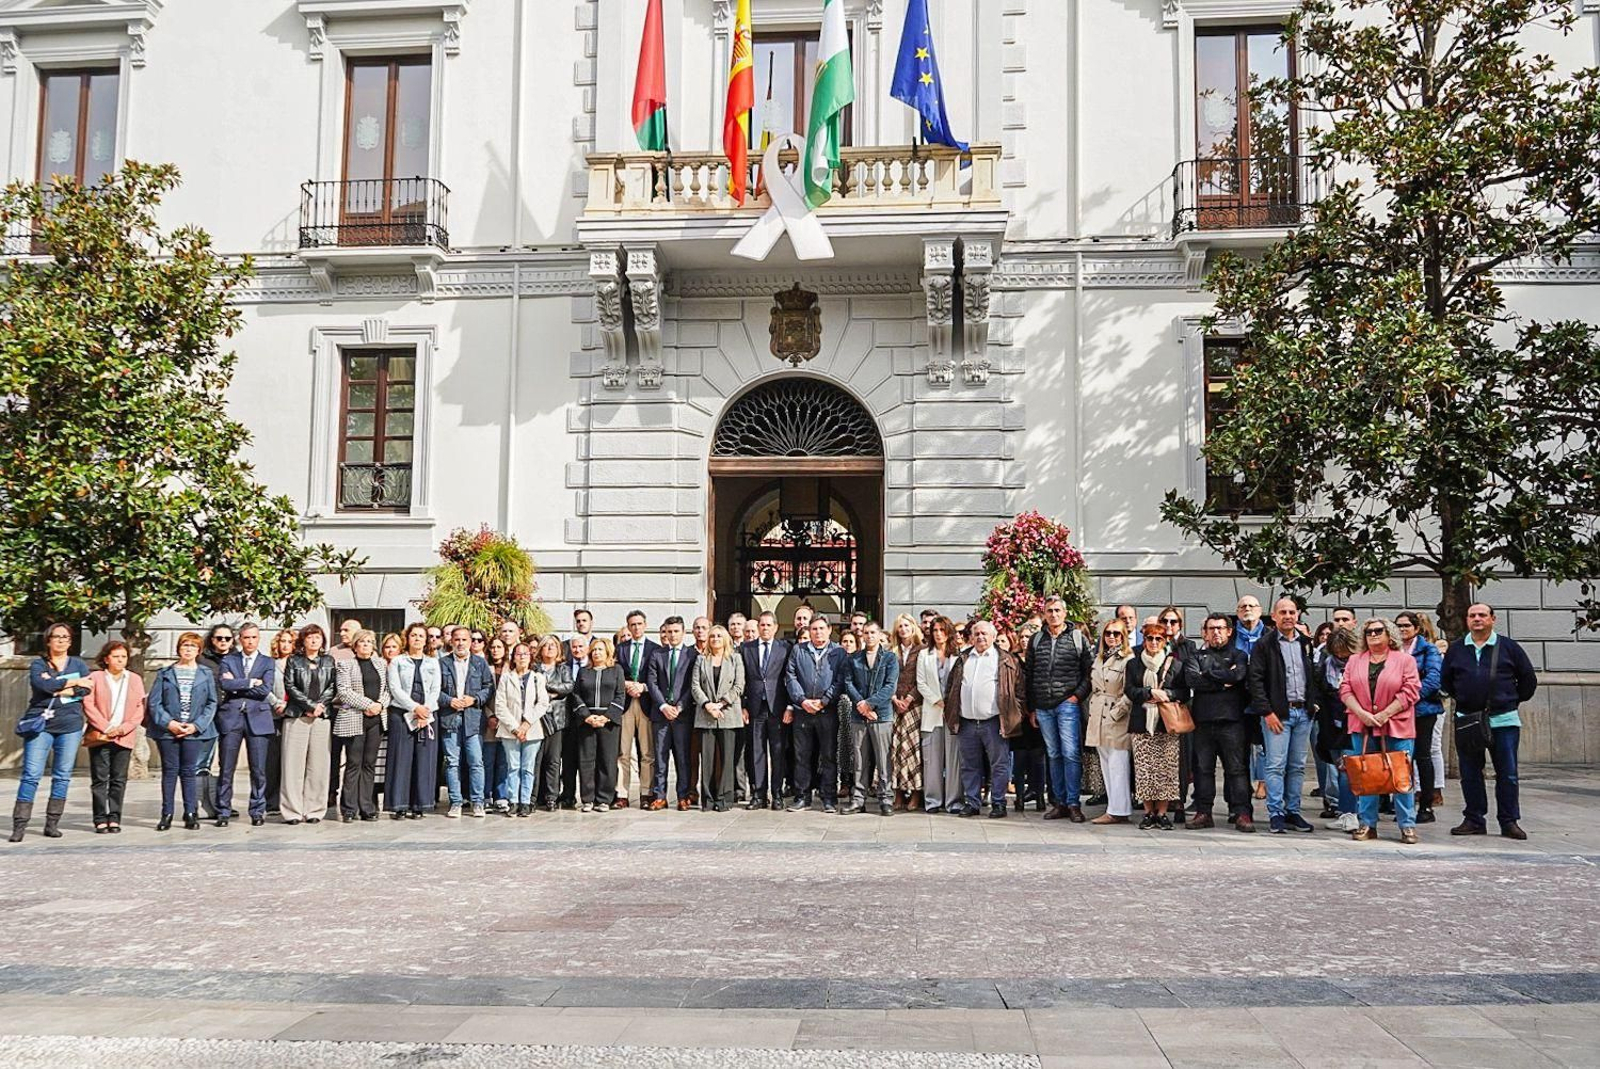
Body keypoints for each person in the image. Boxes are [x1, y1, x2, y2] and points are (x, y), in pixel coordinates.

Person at [1441, 603, 1538, 840]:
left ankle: (1509, 821)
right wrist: (1466, 699)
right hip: (1468, 720)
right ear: (1467, 620)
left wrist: (1509, 700)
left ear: (1493, 619)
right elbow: (1446, 681)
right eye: (1472, 615)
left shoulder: (1509, 647)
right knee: (1470, 773)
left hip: (1504, 720)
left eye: (1482, 615)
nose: (1477, 619)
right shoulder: (1457, 649)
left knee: (1507, 773)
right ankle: (1474, 819)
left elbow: (1528, 680)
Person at [1339, 617, 1423, 843]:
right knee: (1367, 775)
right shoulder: (1355, 660)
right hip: (1362, 724)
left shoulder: (1405, 660)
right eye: (1368, 632)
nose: (1373, 635)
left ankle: (1407, 825)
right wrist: (1361, 713)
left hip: (1397, 724)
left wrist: (1385, 713)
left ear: (1389, 634)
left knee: (1401, 775)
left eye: (1378, 631)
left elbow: (1411, 690)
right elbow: (1345, 689)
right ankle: (1367, 824)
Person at [1247, 597, 1319, 834]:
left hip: (1303, 713)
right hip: (1278, 714)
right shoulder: (1264, 644)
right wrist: (1267, 712)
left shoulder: (1305, 643)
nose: (1288, 616)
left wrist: (1314, 703)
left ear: (1297, 615)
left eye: (1292, 612)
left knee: (1297, 766)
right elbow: (1255, 681)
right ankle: (1276, 813)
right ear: (1274, 616)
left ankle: (1293, 812)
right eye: (1283, 612)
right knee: (1276, 765)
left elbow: (1314, 675)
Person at [944, 621, 1025, 819]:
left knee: (999, 764)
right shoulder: (963, 658)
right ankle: (972, 802)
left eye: (984, 633)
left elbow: (1020, 690)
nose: (980, 637)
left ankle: (999, 803)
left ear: (993, 636)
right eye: (977, 633)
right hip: (967, 722)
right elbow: (951, 687)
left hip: (995, 722)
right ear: (972, 637)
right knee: (969, 765)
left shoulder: (1005, 659)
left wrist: (1013, 715)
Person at [1026, 595, 1093, 822]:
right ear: (1044, 614)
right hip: (1043, 706)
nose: (1053, 614)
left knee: (1071, 754)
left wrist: (1077, 696)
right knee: (1053, 754)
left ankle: (1073, 803)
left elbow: (1089, 672)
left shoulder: (1077, 638)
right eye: (1049, 611)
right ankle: (1060, 803)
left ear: (1065, 613)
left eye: (1057, 610)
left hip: (1067, 704)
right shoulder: (1036, 640)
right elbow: (1029, 675)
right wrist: (1032, 708)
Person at [1185, 614, 1252, 831]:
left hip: (1232, 721)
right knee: (1203, 770)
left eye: (1220, 628)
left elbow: (1238, 676)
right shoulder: (1195, 656)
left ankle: (1242, 813)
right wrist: (1223, 681)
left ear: (1229, 631)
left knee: (1237, 770)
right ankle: (1204, 812)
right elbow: (1193, 680)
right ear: (1204, 632)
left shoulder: (1239, 655)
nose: (1216, 632)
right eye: (1211, 628)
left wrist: (1208, 674)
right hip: (1203, 722)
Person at [148, 632, 218, 831]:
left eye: (193, 646)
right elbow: (154, 703)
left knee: (189, 771)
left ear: (199, 650)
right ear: (178, 648)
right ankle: (167, 813)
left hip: (194, 730)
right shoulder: (165, 673)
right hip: (168, 731)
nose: (188, 649)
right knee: (170, 771)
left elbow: (212, 702)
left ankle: (190, 812)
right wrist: (169, 723)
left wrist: (196, 725)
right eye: (185, 645)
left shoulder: (205, 673)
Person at [1125, 618, 1191, 830]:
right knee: (1144, 770)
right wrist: (1149, 692)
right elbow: (1129, 690)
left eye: (1158, 639)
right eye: (1150, 638)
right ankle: (1147, 812)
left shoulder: (1175, 664)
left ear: (1165, 641)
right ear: (1144, 640)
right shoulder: (1133, 663)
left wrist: (1167, 695)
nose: (1154, 642)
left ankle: (1162, 813)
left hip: (1166, 723)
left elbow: (1184, 692)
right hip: (1141, 722)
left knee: (1166, 771)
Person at [82, 640, 147, 834]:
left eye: (123, 657)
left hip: (124, 735)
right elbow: (88, 704)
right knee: (100, 778)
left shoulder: (134, 679)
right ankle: (100, 818)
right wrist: (106, 727)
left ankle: (115, 817)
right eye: (116, 656)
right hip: (101, 735)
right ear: (106, 659)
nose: (120, 660)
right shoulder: (95, 677)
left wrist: (124, 728)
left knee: (119, 779)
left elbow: (140, 708)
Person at [784, 614, 847, 813]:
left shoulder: (838, 652)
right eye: (814, 629)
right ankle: (802, 797)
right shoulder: (798, 650)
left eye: (821, 628)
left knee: (828, 755)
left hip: (827, 710)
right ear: (809, 631)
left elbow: (841, 679)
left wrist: (824, 700)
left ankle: (829, 798)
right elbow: (790, 676)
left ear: (829, 630)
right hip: (803, 710)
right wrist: (801, 700)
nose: (818, 632)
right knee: (802, 755)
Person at [215, 622, 276, 828]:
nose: (250, 641)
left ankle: (257, 810)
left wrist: (238, 684)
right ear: (240, 639)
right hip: (231, 717)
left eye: (253, 637)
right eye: (246, 637)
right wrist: (250, 682)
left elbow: (265, 689)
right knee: (226, 768)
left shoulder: (267, 661)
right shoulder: (229, 659)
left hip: (258, 718)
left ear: (259, 639)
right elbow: (225, 684)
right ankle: (223, 810)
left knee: (258, 769)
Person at [327, 628, 386, 822]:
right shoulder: (346, 665)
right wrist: (367, 705)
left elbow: (387, 690)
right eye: (362, 641)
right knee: (354, 764)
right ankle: (349, 808)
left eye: (369, 642)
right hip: (354, 718)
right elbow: (344, 692)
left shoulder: (380, 664)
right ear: (355, 645)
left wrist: (379, 705)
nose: (366, 645)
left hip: (376, 720)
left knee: (369, 764)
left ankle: (367, 807)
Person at [281, 624, 336, 825]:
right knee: (292, 766)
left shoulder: (329, 661)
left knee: (319, 766)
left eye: (317, 637)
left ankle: (314, 809)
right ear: (303, 641)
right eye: (310, 637)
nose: (314, 641)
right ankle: (292, 811)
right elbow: (290, 686)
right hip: (297, 716)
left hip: (321, 717)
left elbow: (332, 686)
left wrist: (319, 706)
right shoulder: (293, 661)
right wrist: (309, 706)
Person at [843, 621, 899, 816]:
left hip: (882, 715)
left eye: (873, 632)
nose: (869, 636)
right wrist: (862, 705)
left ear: (879, 634)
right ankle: (858, 800)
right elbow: (848, 683)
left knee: (883, 759)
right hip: (859, 715)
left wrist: (870, 704)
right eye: (866, 633)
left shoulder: (890, 658)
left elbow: (890, 686)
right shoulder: (854, 658)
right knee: (859, 760)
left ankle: (886, 799)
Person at [385, 623, 441, 819]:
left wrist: (425, 711)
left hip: (427, 715)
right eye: (414, 635)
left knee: (424, 759)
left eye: (421, 636)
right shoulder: (398, 662)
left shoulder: (433, 663)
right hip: (402, 713)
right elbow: (395, 688)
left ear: (426, 641)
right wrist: (414, 708)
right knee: (401, 759)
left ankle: (420, 804)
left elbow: (435, 689)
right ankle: (399, 804)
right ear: (407, 638)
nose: (417, 639)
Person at [437, 625, 494, 819]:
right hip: (450, 717)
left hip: (473, 719)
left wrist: (475, 699)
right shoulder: (442, 663)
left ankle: (478, 801)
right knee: (452, 763)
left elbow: (488, 687)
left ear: (470, 642)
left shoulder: (480, 663)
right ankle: (456, 802)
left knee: (476, 762)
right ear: (451, 642)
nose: (460, 643)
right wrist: (449, 701)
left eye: (464, 640)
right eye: (457, 640)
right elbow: (434, 689)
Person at [691, 624, 745, 812]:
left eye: (719, 636)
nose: (715, 639)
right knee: (707, 760)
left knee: (727, 759)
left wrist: (721, 704)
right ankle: (708, 799)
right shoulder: (701, 659)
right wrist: (708, 705)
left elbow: (739, 685)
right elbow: (695, 686)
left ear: (726, 640)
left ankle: (724, 798)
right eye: (712, 636)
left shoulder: (735, 659)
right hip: (706, 715)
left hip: (727, 713)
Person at [1085, 616, 1134, 824]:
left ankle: (1119, 810)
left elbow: (1130, 690)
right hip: (1098, 714)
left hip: (1117, 716)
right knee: (1106, 764)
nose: (1111, 637)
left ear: (1123, 636)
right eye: (1108, 633)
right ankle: (1113, 807)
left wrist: (1117, 712)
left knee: (1118, 764)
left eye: (1116, 633)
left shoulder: (1128, 659)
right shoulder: (1099, 658)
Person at [740, 611, 791, 810]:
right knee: (756, 752)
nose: (765, 628)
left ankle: (777, 794)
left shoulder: (785, 648)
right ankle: (758, 794)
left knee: (778, 752)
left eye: (769, 625)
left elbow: (789, 678)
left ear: (776, 627)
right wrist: (743, 706)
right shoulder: (746, 648)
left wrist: (789, 706)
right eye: (762, 625)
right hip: (755, 708)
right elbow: (741, 679)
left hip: (777, 707)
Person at [646, 617, 698, 810]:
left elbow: (693, 684)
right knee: (660, 758)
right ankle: (660, 796)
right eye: (669, 631)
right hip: (661, 714)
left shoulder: (692, 655)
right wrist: (663, 706)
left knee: (683, 758)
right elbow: (652, 683)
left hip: (682, 715)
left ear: (683, 632)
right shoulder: (657, 654)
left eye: (676, 631)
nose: (672, 635)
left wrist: (680, 706)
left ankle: (683, 796)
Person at [1397, 610, 1444, 824]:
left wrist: (1408, 698)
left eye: (1407, 625)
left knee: (1422, 755)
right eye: (1399, 625)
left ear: (1416, 628)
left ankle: (1426, 804)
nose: (1402, 629)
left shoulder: (1428, 649)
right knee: (1398, 756)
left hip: (1422, 709)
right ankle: (1397, 802)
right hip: (1397, 710)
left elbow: (1434, 679)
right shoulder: (1392, 648)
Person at [492, 641, 547, 816]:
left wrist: (526, 723)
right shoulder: (506, 678)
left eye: (525, 654)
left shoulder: (538, 678)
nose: (522, 657)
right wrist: (515, 728)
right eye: (518, 654)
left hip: (532, 729)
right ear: (513, 658)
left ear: (530, 657)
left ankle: (525, 801)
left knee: (528, 768)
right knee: (513, 766)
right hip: (510, 730)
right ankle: (513, 801)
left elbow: (543, 703)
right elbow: (500, 705)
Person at [1314, 626, 1361, 833]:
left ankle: (1353, 813)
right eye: (1338, 653)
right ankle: (1345, 812)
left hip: (1354, 722)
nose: (1342, 657)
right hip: (1331, 724)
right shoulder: (1324, 664)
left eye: (1345, 653)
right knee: (1339, 767)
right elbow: (1318, 689)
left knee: (1349, 768)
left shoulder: (1360, 665)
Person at [915, 615, 963, 815]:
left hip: (953, 713)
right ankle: (933, 801)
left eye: (942, 630)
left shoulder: (958, 655)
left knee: (954, 760)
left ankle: (954, 802)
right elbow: (921, 683)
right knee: (932, 760)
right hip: (932, 711)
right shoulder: (924, 655)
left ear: (948, 632)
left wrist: (951, 703)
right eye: (935, 630)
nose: (938, 634)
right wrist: (937, 700)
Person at [573, 637, 625, 812]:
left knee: (607, 760)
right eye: (594, 650)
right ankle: (588, 799)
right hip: (587, 721)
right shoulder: (584, 672)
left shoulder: (616, 670)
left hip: (608, 723)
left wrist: (607, 717)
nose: (596, 653)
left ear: (608, 652)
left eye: (600, 649)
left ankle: (604, 799)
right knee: (586, 761)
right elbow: (576, 695)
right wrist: (586, 716)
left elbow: (620, 695)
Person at [614, 610, 659, 809]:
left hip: (646, 703)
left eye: (639, 624)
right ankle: (622, 794)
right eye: (632, 624)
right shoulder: (621, 648)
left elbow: (658, 677)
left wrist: (643, 687)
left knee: (647, 752)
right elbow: (614, 673)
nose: (636, 627)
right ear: (628, 626)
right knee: (623, 752)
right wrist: (625, 684)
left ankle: (646, 793)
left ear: (645, 625)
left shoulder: (655, 649)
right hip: (626, 704)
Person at [195, 623, 235, 819]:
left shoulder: (237, 659)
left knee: (227, 763)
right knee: (202, 761)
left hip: (231, 714)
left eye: (227, 638)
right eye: (219, 638)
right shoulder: (202, 660)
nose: (223, 641)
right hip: (207, 716)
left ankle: (223, 803)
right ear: (212, 640)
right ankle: (201, 805)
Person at [534, 635, 576, 811]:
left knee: (553, 760)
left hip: (557, 720)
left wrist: (546, 686)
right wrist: (551, 692)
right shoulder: (534, 668)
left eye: (553, 645)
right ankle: (534, 797)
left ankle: (552, 796)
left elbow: (568, 687)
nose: (550, 648)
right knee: (536, 760)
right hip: (537, 719)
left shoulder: (563, 668)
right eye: (546, 645)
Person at [888, 614, 924, 811]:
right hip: (895, 705)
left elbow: (924, 679)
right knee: (896, 751)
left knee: (913, 752)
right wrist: (894, 698)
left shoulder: (923, 650)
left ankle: (916, 794)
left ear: (913, 627)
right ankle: (899, 793)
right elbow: (887, 678)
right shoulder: (891, 651)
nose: (903, 629)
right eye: (900, 626)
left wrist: (909, 698)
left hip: (914, 706)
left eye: (906, 625)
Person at [265, 627, 295, 816]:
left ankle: (289, 800)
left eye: (289, 642)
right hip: (274, 715)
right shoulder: (270, 664)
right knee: (272, 760)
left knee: (290, 761)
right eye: (282, 641)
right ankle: (271, 801)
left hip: (294, 715)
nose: (285, 645)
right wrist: (277, 703)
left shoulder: (298, 663)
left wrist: (291, 705)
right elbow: (264, 687)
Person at [480, 631, 509, 814]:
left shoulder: (510, 668)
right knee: (488, 760)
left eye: (499, 647)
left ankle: (501, 796)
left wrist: (504, 717)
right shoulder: (484, 667)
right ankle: (486, 796)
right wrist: (490, 715)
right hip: (489, 720)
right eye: (493, 647)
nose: (496, 650)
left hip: (506, 721)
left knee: (504, 762)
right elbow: (480, 693)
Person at [834, 631, 860, 803]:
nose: (848, 644)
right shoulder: (836, 660)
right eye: (844, 641)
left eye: (851, 641)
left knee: (857, 747)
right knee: (843, 746)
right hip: (840, 706)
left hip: (858, 706)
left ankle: (858, 783)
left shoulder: (860, 660)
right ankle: (844, 782)